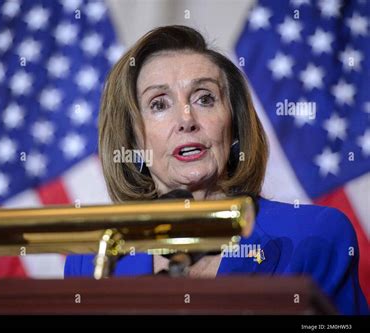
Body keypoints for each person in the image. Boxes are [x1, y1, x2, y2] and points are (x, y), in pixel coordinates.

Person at [64, 25, 368, 315]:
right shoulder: (93, 262)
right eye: (159, 104)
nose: (187, 119)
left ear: (234, 125)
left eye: (205, 98)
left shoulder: (315, 235)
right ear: (132, 139)